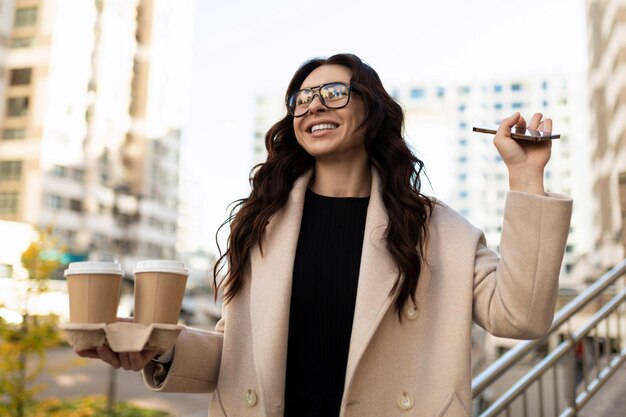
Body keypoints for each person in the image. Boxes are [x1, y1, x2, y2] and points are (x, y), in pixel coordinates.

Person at [77, 53, 572, 417]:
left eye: (334, 92)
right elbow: (239, 357)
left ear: (372, 111)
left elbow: (521, 317)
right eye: (301, 98)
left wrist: (526, 178)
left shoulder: (439, 231)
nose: (314, 105)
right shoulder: (259, 222)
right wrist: (161, 346)